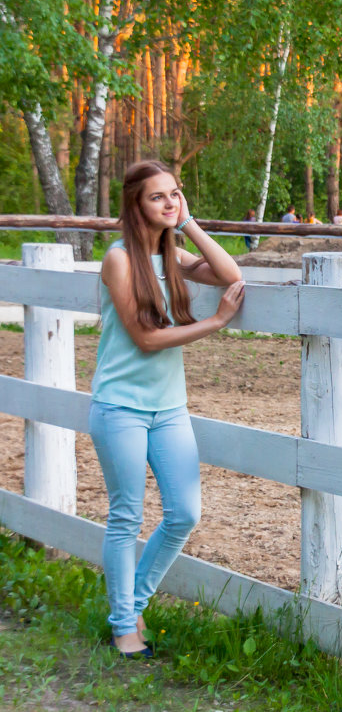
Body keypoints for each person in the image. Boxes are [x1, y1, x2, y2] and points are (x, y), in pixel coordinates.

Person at [90, 160, 245, 658]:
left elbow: (229, 273)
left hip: (169, 409)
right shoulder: (119, 259)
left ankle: (131, 605)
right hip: (121, 407)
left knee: (183, 513)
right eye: (158, 197)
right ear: (135, 204)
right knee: (126, 516)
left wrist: (187, 223)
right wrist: (215, 323)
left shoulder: (172, 254)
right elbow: (146, 337)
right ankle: (123, 626)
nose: (168, 201)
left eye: (174, 193)